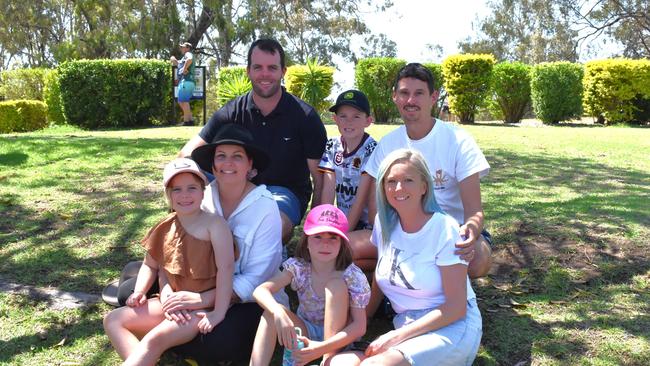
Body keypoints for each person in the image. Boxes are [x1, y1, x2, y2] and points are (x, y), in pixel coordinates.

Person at [339, 149, 482, 365]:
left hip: (450, 325)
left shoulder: (445, 229)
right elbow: (382, 274)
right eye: (391, 181)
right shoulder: (385, 223)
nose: (398, 188)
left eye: (408, 180)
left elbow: (456, 307)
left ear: (424, 186)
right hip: (406, 323)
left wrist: (394, 336)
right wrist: (361, 321)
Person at [178, 38, 327, 244]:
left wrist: (313, 235)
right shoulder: (231, 112)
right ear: (248, 71)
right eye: (258, 67)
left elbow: (320, 180)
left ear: (283, 71)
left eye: (272, 68)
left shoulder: (305, 117)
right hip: (235, 187)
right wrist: (204, 190)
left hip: (284, 192)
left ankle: (264, 253)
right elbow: (185, 155)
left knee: (273, 227)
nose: (264, 74)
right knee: (183, 176)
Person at [364, 63, 492, 279]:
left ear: (433, 97)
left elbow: (474, 212)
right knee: (346, 250)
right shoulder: (387, 144)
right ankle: (403, 279)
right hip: (401, 232)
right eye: (404, 93)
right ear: (395, 96)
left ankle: (415, 277)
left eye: (419, 93)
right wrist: (398, 237)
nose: (411, 101)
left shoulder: (458, 140)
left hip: (451, 232)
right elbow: (376, 209)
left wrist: (469, 233)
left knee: (478, 260)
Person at [103, 158, 235, 366]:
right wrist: (139, 291)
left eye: (192, 188)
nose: (184, 195)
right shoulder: (164, 226)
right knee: (113, 319)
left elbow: (226, 269)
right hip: (170, 301)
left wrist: (218, 311)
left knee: (154, 339)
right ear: (168, 195)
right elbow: (150, 265)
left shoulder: (215, 225)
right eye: (177, 190)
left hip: (199, 309)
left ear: (203, 192)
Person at [250, 204, 370, 366]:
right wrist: (278, 311)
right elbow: (261, 290)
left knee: (335, 285)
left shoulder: (352, 276)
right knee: (270, 314)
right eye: (318, 237)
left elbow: (359, 327)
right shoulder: (299, 267)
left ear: (342, 243)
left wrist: (321, 348)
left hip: (340, 340)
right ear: (306, 241)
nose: (325, 244)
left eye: (332, 238)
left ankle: (326, 359)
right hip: (305, 330)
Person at [319, 89, 377, 272]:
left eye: (356, 116)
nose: (349, 122)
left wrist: (342, 234)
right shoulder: (332, 145)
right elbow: (328, 191)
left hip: (369, 226)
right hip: (343, 219)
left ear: (368, 121)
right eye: (343, 116)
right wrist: (323, 228)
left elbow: (361, 200)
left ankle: (381, 267)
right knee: (324, 252)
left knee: (339, 252)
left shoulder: (372, 149)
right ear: (335, 120)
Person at [170, 42, 196, 126]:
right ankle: (190, 120)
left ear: (188, 48)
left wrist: (184, 69)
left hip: (186, 81)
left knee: (183, 101)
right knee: (182, 101)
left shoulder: (188, 54)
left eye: (183, 47)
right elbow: (178, 63)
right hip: (188, 82)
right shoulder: (183, 58)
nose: (181, 48)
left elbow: (190, 59)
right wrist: (173, 59)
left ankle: (186, 121)